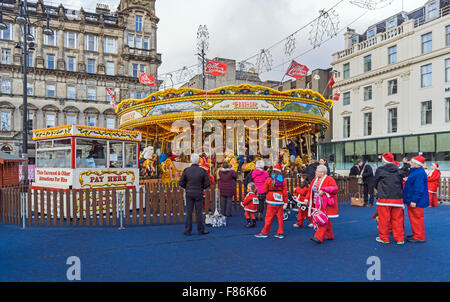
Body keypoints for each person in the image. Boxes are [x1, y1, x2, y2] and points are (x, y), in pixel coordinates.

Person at [374, 152, 405, 245]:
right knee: (398, 219)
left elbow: (375, 181)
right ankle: (399, 238)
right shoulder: (398, 170)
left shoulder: (380, 170)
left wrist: (378, 190)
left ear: (384, 160)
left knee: (384, 219)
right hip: (397, 198)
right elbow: (401, 182)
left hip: (384, 198)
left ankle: (384, 238)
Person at [178, 153, 211, 236]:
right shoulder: (202, 170)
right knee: (199, 212)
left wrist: (186, 187)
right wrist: (202, 187)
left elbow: (181, 182)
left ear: (191, 161)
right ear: (198, 161)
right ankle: (201, 229)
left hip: (189, 192)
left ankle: (188, 230)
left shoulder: (186, 170)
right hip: (198, 192)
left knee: (189, 212)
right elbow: (208, 182)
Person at [255, 163, 288, 239]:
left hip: (271, 200)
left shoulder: (269, 179)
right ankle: (280, 233)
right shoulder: (283, 180)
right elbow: (285, 192)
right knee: (280, 218)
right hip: (280, 200)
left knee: (269, 217)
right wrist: (285, 202)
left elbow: (264, 190)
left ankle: (265, 232)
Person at [307, 165, 339, 244]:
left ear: (322, 172)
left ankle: (318, 237)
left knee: (323, 219)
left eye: (317, 171)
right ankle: (329, 235)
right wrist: (307, 199)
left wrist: (324, 190)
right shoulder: (314, 180)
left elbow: (335, 189)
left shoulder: (329, 179)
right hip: (317, 202)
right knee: (325, 219)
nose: (316, 172)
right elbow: (310, 190)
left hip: (326, 203)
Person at [403, 155, 429, 243]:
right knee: (414, 218)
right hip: (414, 199)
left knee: (417, 218)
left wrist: (414, 200)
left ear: (417, 165)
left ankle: (419, 236)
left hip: (416, 200)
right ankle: (416, 234)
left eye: (412, 162)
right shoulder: (417, 172)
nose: (410, 163)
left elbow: (418, 188)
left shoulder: (419, 173)